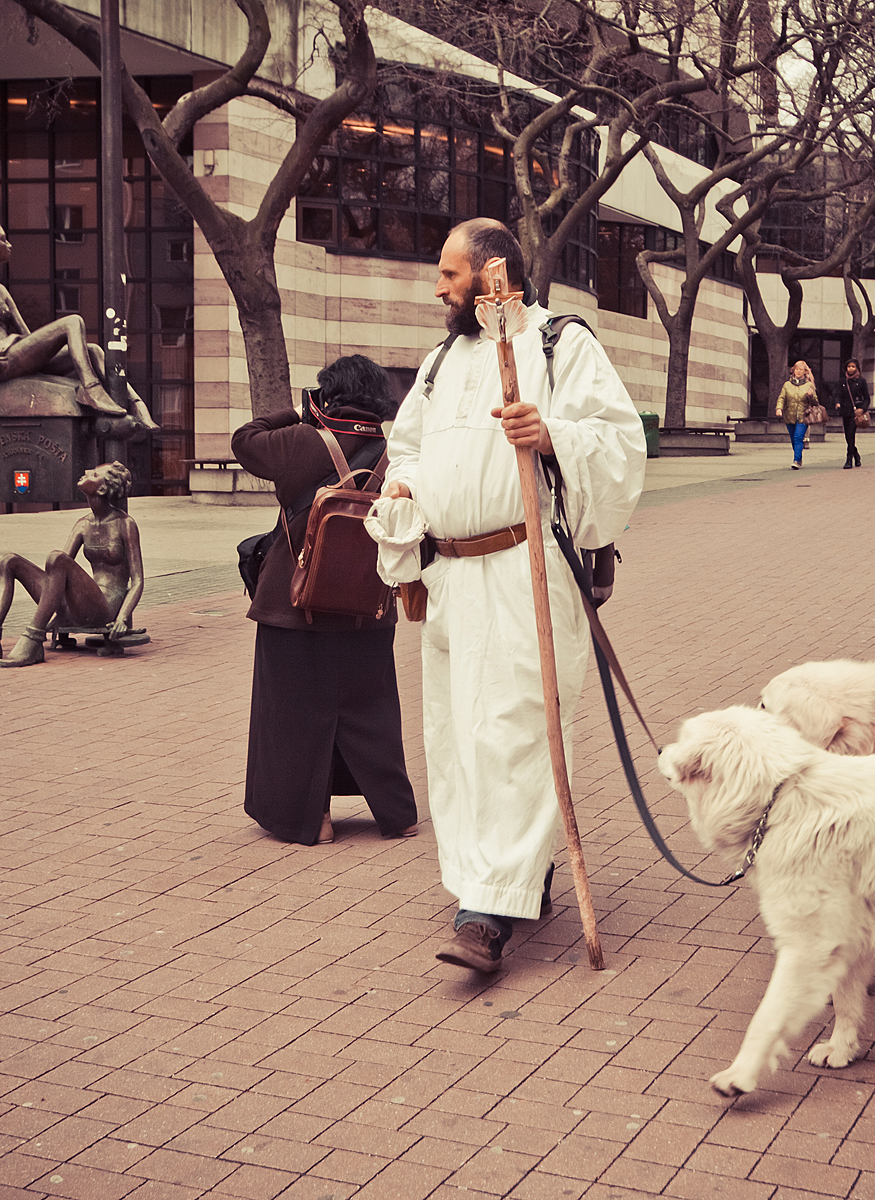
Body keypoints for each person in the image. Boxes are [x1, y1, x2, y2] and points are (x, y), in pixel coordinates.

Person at [381, 218, 645, 972]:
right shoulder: (440, 360)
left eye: (450, 275)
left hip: (525, 569)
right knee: (463, 741)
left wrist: (552, 431)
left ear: (494, 274)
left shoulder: (562, 344)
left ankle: (488, 913)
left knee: (515, 731)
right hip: (453, 578)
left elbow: (622, 442)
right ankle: (501, 873)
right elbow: (409, 443)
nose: (439, 288)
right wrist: (404, 484)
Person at [231, 355, 418, 847]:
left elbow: (244, 440)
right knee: (369, 709)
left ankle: (311, 820)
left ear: (328, 394)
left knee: (293, 715)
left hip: (293, 607)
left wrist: (298, 411)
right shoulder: (397, 450)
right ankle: (396, 814)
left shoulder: (301, 441)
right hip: (370, 603)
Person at [0, 218, 158, 430]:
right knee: (73, 321)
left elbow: (26, 334)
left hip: (15, 354)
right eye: (3, 239)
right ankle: (91, 389)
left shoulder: (0, 290)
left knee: (93, 350)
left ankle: (135, 403)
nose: (9, 245)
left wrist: (22, 342)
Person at [0, 461, 143, 667]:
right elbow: (57, 575)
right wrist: (59, 612)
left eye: (93, 474)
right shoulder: (82, 524)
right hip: (78, 606)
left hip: (104, 608)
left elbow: (137, 580)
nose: (86, 472)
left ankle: (34, 638)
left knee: (56, 558)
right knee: (9, 561)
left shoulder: (125, 524)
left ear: (102, 488)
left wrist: (121, 618)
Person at [773, 360, 815, 469]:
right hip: (789, 415)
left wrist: (811, 395)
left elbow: (815, 402)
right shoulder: (787, 385)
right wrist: (779, 408)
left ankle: (796, 460)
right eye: (796, 369)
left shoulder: (808, 385)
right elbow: (782, 398)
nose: (798, 371)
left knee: (798, 437)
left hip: (803, 416)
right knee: (793, 439)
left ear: (805, 372)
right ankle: (799, 456)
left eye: (801, 369)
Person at [836, 358, 868, 469]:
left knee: (851, 434)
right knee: (847, 436)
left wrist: (862, 409)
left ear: (857, 368)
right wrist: (837, 402)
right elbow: (838, 394)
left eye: (853, 367)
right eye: (849, 367)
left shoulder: (861, 381)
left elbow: (867, 398)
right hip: (845, 410)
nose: (851, 369)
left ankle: (849, 459)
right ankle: (856, 454)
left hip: (856, 412)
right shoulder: (842, 381)